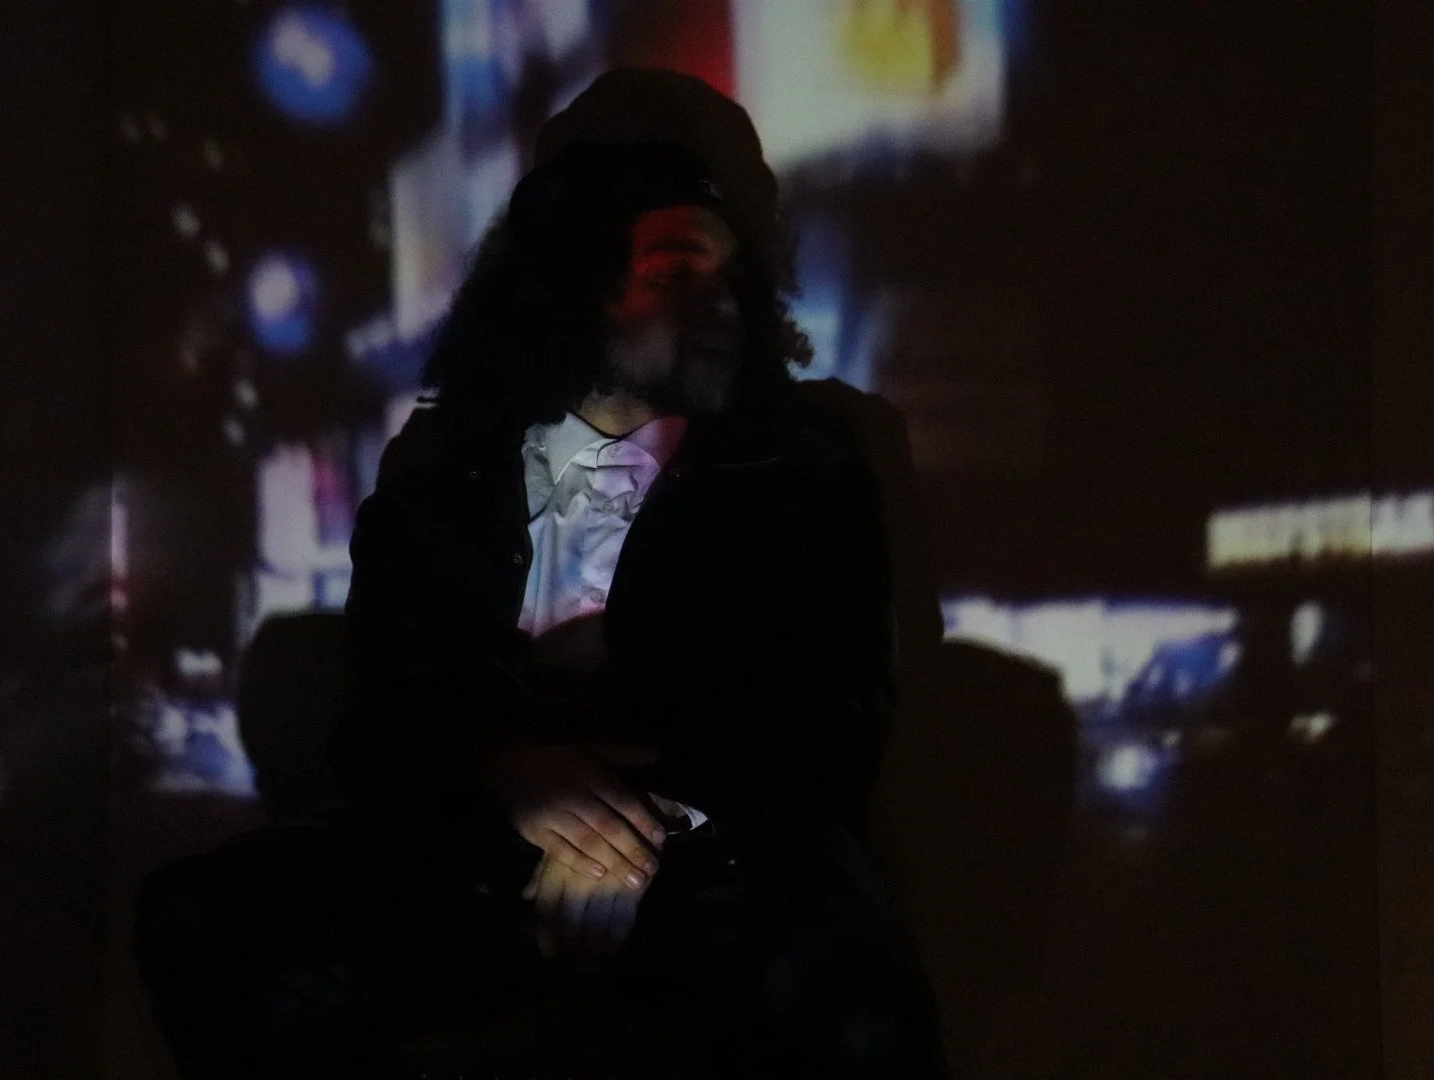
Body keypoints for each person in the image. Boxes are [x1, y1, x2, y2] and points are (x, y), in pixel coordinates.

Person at [138, 68, 946, 1079]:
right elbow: (382, 712)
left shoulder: (812, 467)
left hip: (729, 866)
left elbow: (839, 719)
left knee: (859, 1006)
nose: (724, 304)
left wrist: (629, 827)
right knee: (199, 921)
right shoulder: (445, 466)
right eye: (679, 270)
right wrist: (508, 775)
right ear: (575, 278)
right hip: (479, 854)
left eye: (736, 272)